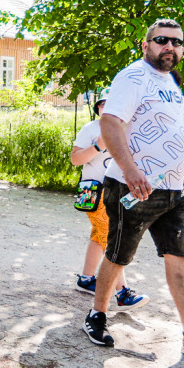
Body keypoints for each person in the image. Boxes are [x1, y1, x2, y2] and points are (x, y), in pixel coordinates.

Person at [82, 19, 184, 357]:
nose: (170, 47)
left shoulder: (170, 81)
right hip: (132, 187)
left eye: (177, 42)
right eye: (162, 40)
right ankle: (97, 314)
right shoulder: (133, 76)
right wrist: (130, 170)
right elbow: (110, 124)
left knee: (179, 257)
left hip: (172, 191)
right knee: (118, 253)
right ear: (146, 44)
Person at [70, 89, 149, 310]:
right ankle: (122, 293)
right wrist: (97, 146)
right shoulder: (91, 129)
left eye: (112, 104)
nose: (107, 108)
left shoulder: (127, 130)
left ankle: (86, 280)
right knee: (111, 239)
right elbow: (75, 160)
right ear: (98, 108)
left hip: (119, 192)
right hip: (93, 192)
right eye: (103, 104)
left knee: (100, 236)